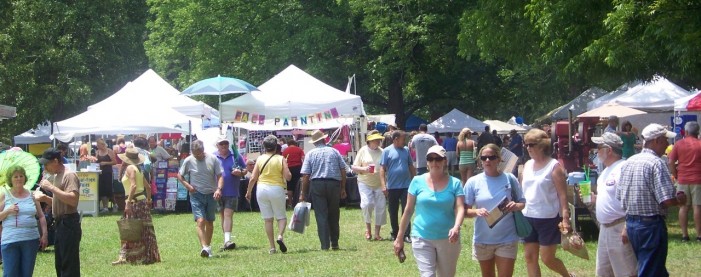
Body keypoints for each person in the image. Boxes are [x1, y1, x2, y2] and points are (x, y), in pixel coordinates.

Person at [617, 123, 686, 276]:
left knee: (655, 268)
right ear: (656, 141)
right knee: (650, 270)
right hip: (651, 226)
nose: (668, 144)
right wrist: (680, 199)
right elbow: (666, 200)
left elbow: (620, 196)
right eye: (665, 140)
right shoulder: (656, 163)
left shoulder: (629, 162)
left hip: (633, 224)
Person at [393, 145, 464, 277]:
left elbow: (460, 208)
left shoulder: (455, 183)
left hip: (448, 239)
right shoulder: (417, 181)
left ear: (445, 161)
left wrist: (456, 227)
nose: (434, 162)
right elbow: (408, 210)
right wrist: (399, 237)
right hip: (421, 237)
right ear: (427, 162)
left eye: (438, 159)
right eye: (430, 159)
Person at [464, 144, 526, 277]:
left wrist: (515, 205)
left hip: (507, 239)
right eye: (484, 157)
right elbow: (464, 211)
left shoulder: (510, 179)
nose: (487, 160)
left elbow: (522, 203)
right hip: (483, 240)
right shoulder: (473, 182)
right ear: (480, 160)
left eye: (491, 157)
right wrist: (477, 212)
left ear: (499, 159)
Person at [581, 133, 637, 277]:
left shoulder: (623, 168)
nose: (596, 151)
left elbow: (633, 198)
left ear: (609, 150)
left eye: (599, 147)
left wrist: (627, 227)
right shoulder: (605, 171)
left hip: (619, 226)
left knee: (625, 272)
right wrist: (595, 199)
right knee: (603, 272)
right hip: (605, 229)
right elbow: (612, 197)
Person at [520, 129, 573, 277]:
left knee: (547, 258)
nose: (528, 148)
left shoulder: (554, 167)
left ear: (542, 146)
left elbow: (563, 195)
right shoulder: (527, 165)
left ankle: (568, 276)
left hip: (548, 218)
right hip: (527, 216)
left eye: (532, 144)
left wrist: (566, 218)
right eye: (526, 145)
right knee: (530, 258)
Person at [111, 146, 161, 265]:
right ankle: (146, 255)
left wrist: (128, 202)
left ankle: (128, 257)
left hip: (134, 202)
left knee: (130, 229)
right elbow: (148, 187)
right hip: (142, 201)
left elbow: (133, 186)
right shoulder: (138, 169)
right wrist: (148, 200)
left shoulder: (130, 168)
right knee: (144, 230)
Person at [299, 130, 347, 250]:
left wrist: (303, 193)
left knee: (321, 215)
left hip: (317, 184)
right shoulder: (334, 152)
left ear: (314, 143)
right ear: (325, 140)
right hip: (333, 184)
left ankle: (325, 245)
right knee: (334, 214)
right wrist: (343, 187)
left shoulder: (310, 154)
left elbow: (305, 175)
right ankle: (334, 242)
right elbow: (343, 170)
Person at [38, 148, 81, 276]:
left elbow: (73, 200)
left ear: (56, 161)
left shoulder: (69, 175)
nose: (45, 167)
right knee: (60, 263)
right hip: (60, 224)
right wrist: (45, 198)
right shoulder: (57, 176)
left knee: (69, 265)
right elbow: (61, 202)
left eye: (47, 164)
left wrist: (51, 187)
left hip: (69, 223)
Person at [245, 135, 291, 254]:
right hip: (276, 188)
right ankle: (280, 236)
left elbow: (253, 178)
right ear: (276, 146)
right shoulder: (281, 158)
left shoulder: (260, 159)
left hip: (261, 189)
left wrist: (248, 191)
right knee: (281, 217)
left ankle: (272, 247)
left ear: (264, 147)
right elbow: (288, 177)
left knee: (268, 220)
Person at [177, 140, 223, 258]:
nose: (198, 156)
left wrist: (218, 189)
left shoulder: (213, 159)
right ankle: (204, 247)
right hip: (196, 194)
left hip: (211, 194)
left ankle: (208, 246)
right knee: (200, 221)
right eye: (195, 154)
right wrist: (188, 186)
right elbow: (180, 175)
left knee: (210, 222)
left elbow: (220, 176)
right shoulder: (188, 160)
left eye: (199, 153)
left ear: (203, 150)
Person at [0, 166, 48, 277]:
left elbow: (41, 216)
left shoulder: (32, 195)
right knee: (10, 273)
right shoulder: (4, 195)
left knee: (27, 273)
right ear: (10, 179)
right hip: (10, 240)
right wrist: (8, 211)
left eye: (21, 176)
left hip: (30, 240)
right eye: (15, 176)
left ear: (25, 178)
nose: (18, 179)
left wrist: (44, 235)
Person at [380, 130, 416, 242]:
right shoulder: (386, 151)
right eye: (402, 139)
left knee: (407, 210)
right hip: (392, 186)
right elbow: (382, 169)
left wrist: (415, 181)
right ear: (396, 139)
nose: (404, 141)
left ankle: (406, 234)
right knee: (393, 210)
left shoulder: (406, 150)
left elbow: (411, 166)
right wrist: (383, 185)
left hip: (406, 186)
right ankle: (395, 232)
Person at [352, 131, 387, 241]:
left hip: (379, 183)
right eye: (376, 140)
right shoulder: (363, 151)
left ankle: (377, 233)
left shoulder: (383, 152)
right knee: (367, 204)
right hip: (365, 182)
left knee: (381, 207)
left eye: (379, 140)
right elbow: (354, 167)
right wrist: (364, 169)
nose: (378, 142)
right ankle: (368, 229)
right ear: (370, 141)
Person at [669, 121, 701, 242]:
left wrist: (675, 175)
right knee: (697, 207)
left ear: (686, 132)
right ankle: (699, 235)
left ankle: (684, 235)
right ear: (697, 132)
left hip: (682, 179)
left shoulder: (678, 144)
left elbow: (671, 162)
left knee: (683, 207)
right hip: (698, 179)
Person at [214, 138, 246, 250]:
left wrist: (240, 172)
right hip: (218, 190)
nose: (224, 145)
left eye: (226, 143)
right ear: (217, 145)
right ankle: (226, 239)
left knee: (228, 214)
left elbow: (245, 169)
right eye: (221, 143)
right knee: (222, 215)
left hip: (232, 190)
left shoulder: (235, 155)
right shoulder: (213, 157)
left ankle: (227, 240)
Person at [95, 138, 116, 213]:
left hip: (108, 173)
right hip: (100, 173)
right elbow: (96, 161)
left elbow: (114, 162)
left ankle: (114, 204)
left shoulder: (109, 151)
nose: (97, 146)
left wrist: (105, 163)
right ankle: (105, 207)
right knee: (102, 190)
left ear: (102, 145)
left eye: (98, 145)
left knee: (108, 190)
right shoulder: (97, 152)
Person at [282, 138, 304, 208]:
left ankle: (290, 203)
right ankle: (297, 201)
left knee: (290, 186)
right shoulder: (299, 149)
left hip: (289, 168)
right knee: (298, 185)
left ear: (288, 144)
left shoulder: (285, 150)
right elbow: (303, 158)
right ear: (295, 144)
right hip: (298, 168)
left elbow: (283, 160)